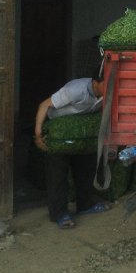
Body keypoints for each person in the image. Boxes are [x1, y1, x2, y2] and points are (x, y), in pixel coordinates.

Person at [34, 68, 110, 229]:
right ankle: (59, 214)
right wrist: (38, 133)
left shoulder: (106, 94)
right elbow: (44, 105)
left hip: (82, 135)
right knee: (57, 175)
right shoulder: (75, 90)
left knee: (86, 170)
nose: (109, 89)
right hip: (60, 137)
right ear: (95, 82)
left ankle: (85, 206)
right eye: (106, 84)